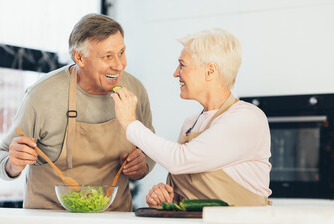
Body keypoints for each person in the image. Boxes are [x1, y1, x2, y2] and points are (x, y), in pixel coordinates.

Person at [0, 13, 155, 211]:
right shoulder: (42, 96)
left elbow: (150, 149)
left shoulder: (134, 90)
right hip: (50, 216)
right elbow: (1, 156)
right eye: (108, 56)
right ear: (79, 57)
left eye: (121, 52)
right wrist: (13, 164)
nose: (119, 65)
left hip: (115, 216)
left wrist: (142, 165)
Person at [111, 28, 272, 207]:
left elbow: (179, 160)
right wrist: (167, 198)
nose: (175, 73)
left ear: (210, 71)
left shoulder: (246, 118)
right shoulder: (191, 125)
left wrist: (129, 123)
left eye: (182, 65)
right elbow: (189, 194)